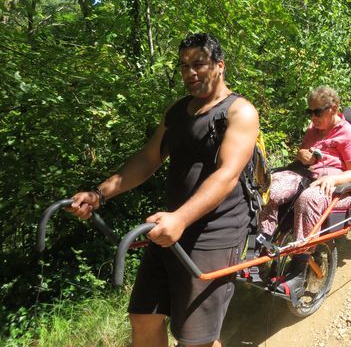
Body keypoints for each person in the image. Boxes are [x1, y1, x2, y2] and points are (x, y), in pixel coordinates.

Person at [66, 33, 259, 347]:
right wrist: (99, 194)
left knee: (197, 339)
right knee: (143, 318)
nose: (190, 72)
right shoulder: (177, 111)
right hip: (168, 228)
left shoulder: (240, 112)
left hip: (213, 233)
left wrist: (180, 219)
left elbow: (227, 175)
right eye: (184, 65)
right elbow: (147, 159)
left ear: (219, 66)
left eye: (198, 64)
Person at [258, 86, 351, 296]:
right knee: (267, 189)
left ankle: (298, 270)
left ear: (334, 108)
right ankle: (261, 249)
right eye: (310, 112)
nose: (313, 117)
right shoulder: (312, 130)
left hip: (336, 188)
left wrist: (333, 178)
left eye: (318, 112)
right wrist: (301, 154)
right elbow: (303, 155)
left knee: (309, 199)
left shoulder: (349, 135)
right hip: (305, 175)